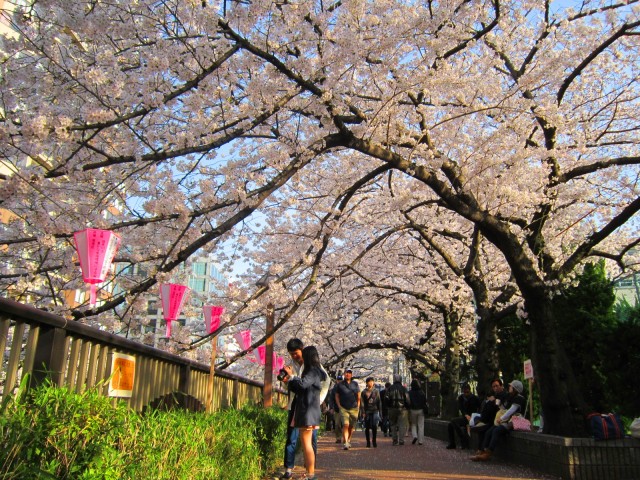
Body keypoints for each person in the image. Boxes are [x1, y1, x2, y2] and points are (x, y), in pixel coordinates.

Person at [280, 338, 330, 479]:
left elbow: (321, 383)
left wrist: (317, 402)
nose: (294, 357)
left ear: (302, 350)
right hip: (297, 405)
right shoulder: (294, 366)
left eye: (296, 353)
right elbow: (294, 386)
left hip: (309, 407)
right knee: (292, 438)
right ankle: (289, 469)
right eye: (291, 354)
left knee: (309, 442)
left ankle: (309, 471)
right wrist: (287, 381)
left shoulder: (314, 369)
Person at [471, 379, 526, 462]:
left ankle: (488, 452)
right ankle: (483, 450)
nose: (509, 387)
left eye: (511, 386)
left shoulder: (519, 398)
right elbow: (504, 408)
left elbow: (511, 410)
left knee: (497, 430)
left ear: (515, 388)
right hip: (506, 420)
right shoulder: (510, 397)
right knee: (489, 431)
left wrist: (501, 418)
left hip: (513, 422)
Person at [470, 378, 508, 449]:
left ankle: (484, 450)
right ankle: (481, 449)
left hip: (495, 420)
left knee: (484, 430)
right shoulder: (494, 396)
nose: (495, 388)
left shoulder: (504, 395)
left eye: (497, 386)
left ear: (501, 386)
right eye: (493, 386)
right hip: (487, 419)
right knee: (479, 425)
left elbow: (501, 408)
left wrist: (493, 401)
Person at [446, 383, 481, 449]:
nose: (466, 393)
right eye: (464, 392)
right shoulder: (461, 398)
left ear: (469, 390)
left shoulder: (474, 398)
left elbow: (480, 407)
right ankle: (453, 443)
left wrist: (475, 416)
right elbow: (461, 408)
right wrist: (465, 415)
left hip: (472, 418)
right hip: (465, 417)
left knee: (453, 421)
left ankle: (463, 440)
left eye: (467, 392)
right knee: (450, 424)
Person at [335, 368, 360, 450]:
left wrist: (358, 406)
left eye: (349, 373)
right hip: (343, 408)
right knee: (346, 424)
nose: (347, 374)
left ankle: (348, 439)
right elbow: (337, 395)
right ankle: (345, 442)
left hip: (354, 407)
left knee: (351, 426)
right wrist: (339, 405)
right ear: (344, 374)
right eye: (346, 373)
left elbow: (358, 395)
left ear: (351, 375)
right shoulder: (340, 384)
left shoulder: (355, 384)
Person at [385, 374, 409, 446]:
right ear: (400, 380)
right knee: (402, 425)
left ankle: (394, 440)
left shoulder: (390, 388)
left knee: (393, 424)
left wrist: (388, 406)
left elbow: (386, 398)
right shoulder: (404, 389)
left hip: (392, 408)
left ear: (394, 380)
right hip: (402, 409)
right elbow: (407, 399)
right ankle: (401, 440)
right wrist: (407, 406)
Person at [360, 377, 382, 447]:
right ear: (367, 383)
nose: (371, 383)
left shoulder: (376, 391)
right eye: (369, 382)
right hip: (367, 411)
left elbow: (379, 401)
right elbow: (362, 403)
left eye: (372, 382)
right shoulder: (364, 392)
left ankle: (374, 440)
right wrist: (363, 412)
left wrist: (380, 411)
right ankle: (368, 441)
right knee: (367, 426)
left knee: (374, 426)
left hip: (375, 410)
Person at [408, 379, 428, 445]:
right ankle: (420, 441)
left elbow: (408, 401)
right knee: (421, 425)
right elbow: (425, 401)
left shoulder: (409, 392)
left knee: (413, 424)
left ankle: (415, 436)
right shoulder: (421, 392)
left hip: (412, 410)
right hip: (421, 410)